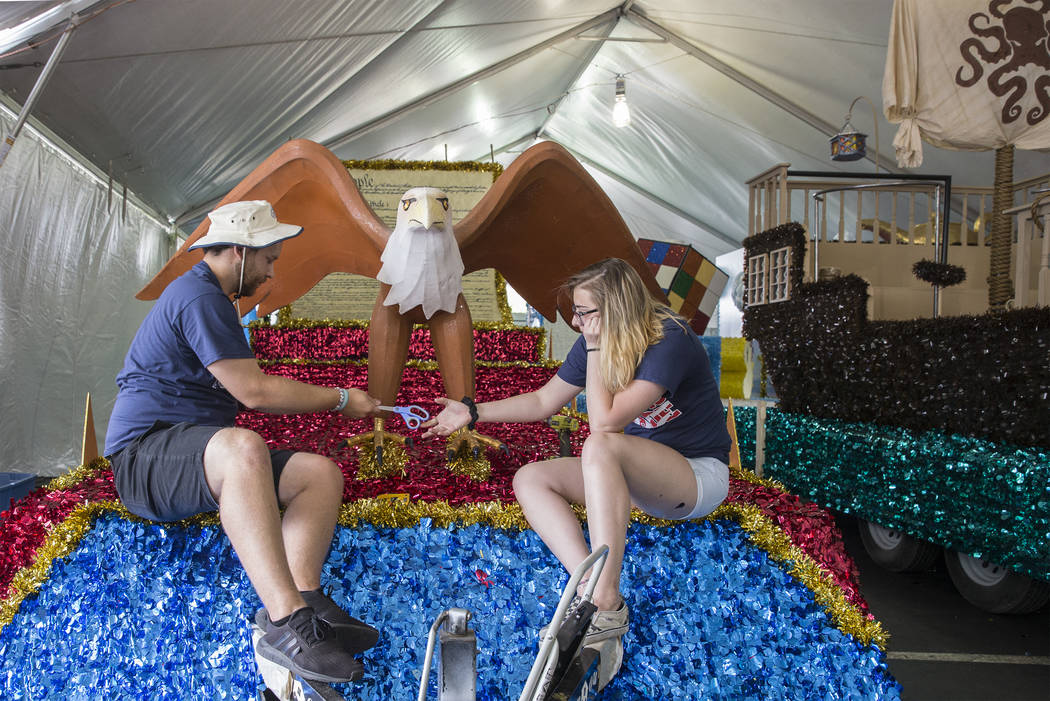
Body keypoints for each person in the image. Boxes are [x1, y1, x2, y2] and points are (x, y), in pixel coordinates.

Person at [104, 200, 380, 684]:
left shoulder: (213, 297)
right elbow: (253, 392)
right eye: (269, 258)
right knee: (243, 446)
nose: (272, 271)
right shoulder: (199, 296)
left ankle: (306, 598)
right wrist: (340, 400)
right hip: (145, 457)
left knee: (319, 474)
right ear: (239, 251)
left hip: (193, 448)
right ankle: (285, 624)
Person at [422, 257, 731, 644]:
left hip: (695, 477)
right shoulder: (594, 344)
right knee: (531, 478)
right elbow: (542, 402)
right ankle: (587, 587)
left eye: (584, 313)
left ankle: (605, 599)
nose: (576, 322)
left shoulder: (669, 338)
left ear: (615, 308)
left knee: (600, 443)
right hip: (635, 478)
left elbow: (605, 423)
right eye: (576, 312)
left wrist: (597, 344)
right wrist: (471, 412)